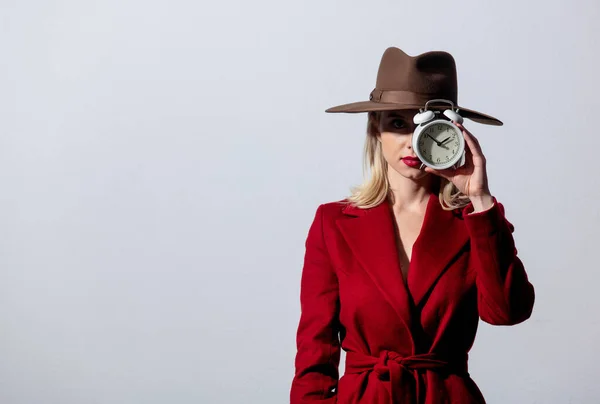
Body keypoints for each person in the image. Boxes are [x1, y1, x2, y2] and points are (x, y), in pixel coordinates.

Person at [289, 47, 535, 404]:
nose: (411, 141)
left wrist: (480, 199)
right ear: (376, 130)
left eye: (427, 127)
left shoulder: (475, 222)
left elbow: (507, 312)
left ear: (450, 131)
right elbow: (315, 348)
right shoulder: (334, 223)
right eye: (397, 123)